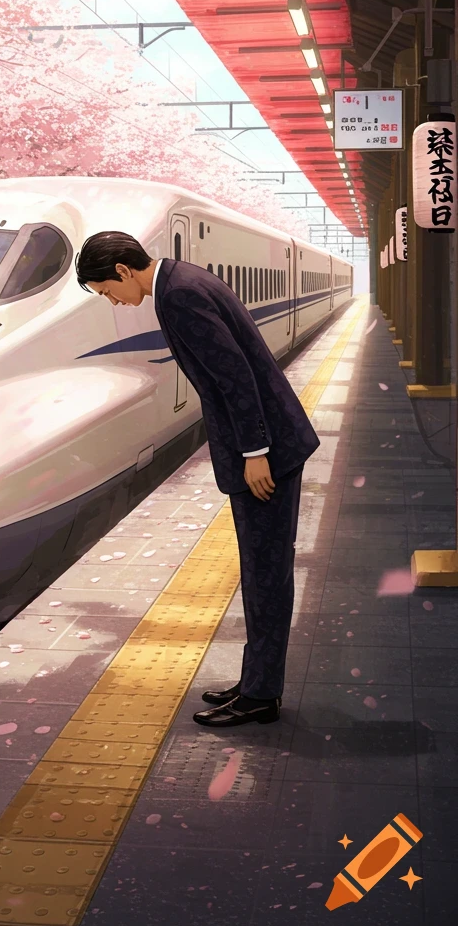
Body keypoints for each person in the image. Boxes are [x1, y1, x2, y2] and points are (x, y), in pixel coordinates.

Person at [75, 230, 319, 728]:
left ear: (122, 271)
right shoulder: (183, 280)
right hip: (269, 442)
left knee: (265, 574)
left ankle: (261, 696)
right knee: (259, 572)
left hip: (267, 450)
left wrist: (255, 452)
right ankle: (255, 684)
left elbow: (236, 378)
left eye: (106, 291)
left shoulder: (179, 295)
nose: (114, 303)